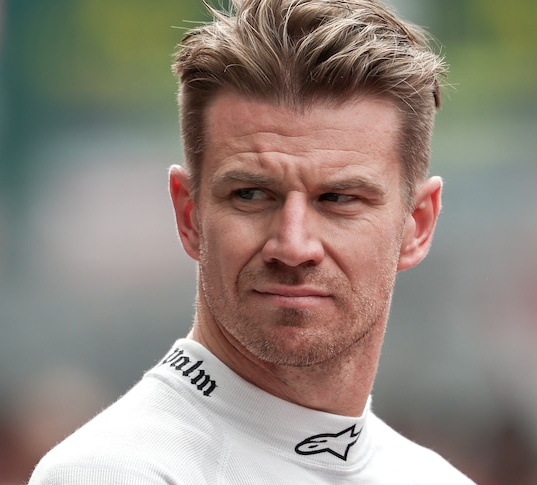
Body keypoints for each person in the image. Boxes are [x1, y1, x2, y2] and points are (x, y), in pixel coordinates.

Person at [28, 0, 474, 483]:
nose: (293, 244)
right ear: (189, 214)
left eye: (339, 198)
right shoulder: (117, 472)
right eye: (252, 194)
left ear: (419, 224)